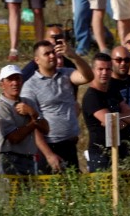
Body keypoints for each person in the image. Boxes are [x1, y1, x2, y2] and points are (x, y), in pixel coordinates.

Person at [21, 37, 93, 172]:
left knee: (73, 185)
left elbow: (88, 77)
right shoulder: (30, 86)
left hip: (70, 146)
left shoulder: (67, 74)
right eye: (46, 54)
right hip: (49, 149)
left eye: (53, 52)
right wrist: (49, 155)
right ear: (37, 60)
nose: (52, 56)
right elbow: (32, 125)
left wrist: (74, 56)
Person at [81, 54, 130, 171]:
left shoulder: (113, 91)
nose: (104, 73)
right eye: (100, 69)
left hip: (122, 151)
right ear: (93, 70)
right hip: (101, 155)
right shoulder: (92, 97)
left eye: (108, 69)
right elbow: (113, 124)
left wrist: (115, 118)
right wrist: (119, 120)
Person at [0, 64, 59, 175]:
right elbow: (14, 138)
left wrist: (33, 113)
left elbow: (46, 129)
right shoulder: (1, 106)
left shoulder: (28, 103)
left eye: (17, 79)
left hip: (29, 158)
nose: (15, 83)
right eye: (10, 79)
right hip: (9, 159)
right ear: (2, 84)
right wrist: (33, 123)